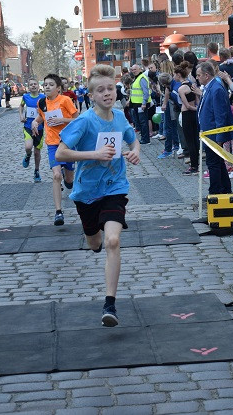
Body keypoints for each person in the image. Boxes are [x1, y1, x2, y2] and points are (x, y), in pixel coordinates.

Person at [54, 64, 140, 327]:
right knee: (95, 243)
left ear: (116, 90)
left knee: (113, 241)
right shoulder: (84, 121)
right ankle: (93, 236)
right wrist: (93, 154)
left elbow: (132, 139)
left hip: (115, 187)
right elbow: (60, 153)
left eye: (110, 88)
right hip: (87, 193)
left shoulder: (120, 117)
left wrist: (135, 150)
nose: (107, 93)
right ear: (91, 95)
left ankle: (110, 304)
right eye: (100, 90)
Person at [30, 73, 78, 225]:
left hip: (67, 142)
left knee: (69, 180)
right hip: (52, 143)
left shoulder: (65, 100)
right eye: (45, 85)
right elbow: (41, 116)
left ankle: (68, 178)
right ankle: (58, 212)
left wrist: (62, 120)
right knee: (56, 175)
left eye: (51, 85)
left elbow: (78, 119)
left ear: (58, 88)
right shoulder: (42, 102)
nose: (47, 87)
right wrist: (35, 123)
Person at [197, 61, 233, 194]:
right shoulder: (210, 87)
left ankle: (215, 191)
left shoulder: (216, 89)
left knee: (213, 163)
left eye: (199, 75)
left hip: (214, 133)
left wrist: (219, 136)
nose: (197, 77)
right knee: (218, 163)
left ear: (206, 75)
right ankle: (224, 188)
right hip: (209, 132)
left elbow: (221, 114)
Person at [175, 62, 200, 174]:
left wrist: (195, 109)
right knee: (195, 139)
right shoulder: (192, 84)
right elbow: (197, 102)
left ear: (179, 75)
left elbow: (188, 106)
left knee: (190, 141)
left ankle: (194, 166)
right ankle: (196, 163)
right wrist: (197, 109)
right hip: (194, 115)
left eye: (174, 74)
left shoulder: (181, 89)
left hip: (187, 114)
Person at [19, 79, 45, 182]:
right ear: (28, 87)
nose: (33, 86)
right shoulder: (25, 97)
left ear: (38, 86)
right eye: (31, 85)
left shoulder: (43, 97)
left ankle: (36, 171)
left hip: (39, 127)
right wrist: (21, 115)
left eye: (35, 84)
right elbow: (21, 106)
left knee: (37, 153)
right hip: (28, 126)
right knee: (28, 147)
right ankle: (27, 155)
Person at [128, 64, 152, 145]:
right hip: (136, 104)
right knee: (140, 121)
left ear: (140, 69)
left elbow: (145, 92)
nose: (133, 71)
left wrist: (144, 103)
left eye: (135, 69)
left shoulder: (141, 78)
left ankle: (145, 139)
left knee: (143, 122)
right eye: (132, 70)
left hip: (141, 104)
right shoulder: (137, 78)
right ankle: (144, 138)